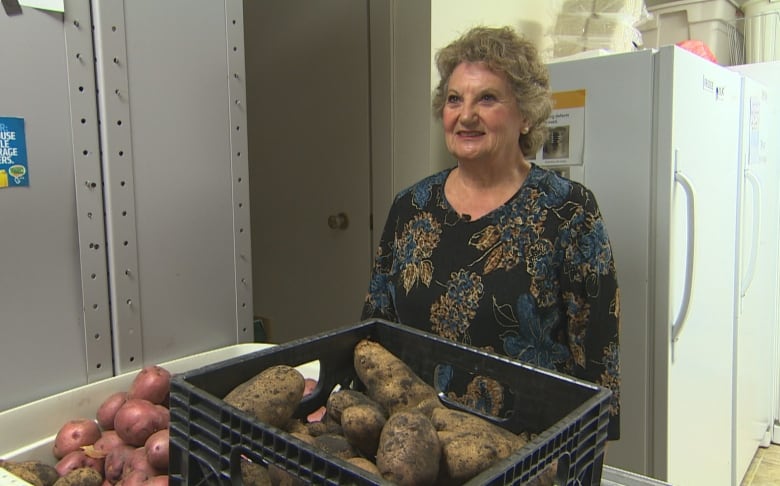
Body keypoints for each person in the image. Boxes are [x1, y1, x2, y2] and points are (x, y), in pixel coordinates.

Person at [360, 26, 621, 440]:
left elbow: (596, 355)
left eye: (487, 98)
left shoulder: (570, 211)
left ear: (526, 114)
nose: (465, 115)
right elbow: (375, 329)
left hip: (525, 456)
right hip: (417, 447)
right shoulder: (410, 207)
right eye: (453, 99)